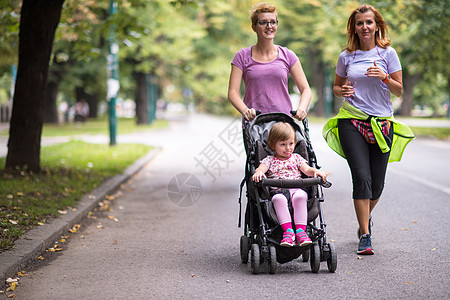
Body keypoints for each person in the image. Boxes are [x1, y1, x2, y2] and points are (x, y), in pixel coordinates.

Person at [322, 4, 414, 255]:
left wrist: (384, 77)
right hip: (351, 121)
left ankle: (365, 218)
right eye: (359, 23)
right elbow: (337, 87)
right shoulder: (346, 56)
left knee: (377, 185)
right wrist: (343, 91)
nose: (364, 27)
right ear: (354, 27)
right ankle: (365, 234)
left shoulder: (389, 53)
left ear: (377, 26)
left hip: (382, 123)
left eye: (369, 22)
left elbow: (398, 90)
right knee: (361, 179)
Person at [227, 2, 312, 121]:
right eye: (263, 22)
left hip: (283, 123)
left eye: (273, 22)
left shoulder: (288, 55)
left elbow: (306, 89)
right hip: (255, 123)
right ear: (254, 27)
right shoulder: (241, 57)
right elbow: (232, 92)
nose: (269, 26)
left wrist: (302, 108)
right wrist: (245, 110)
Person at [253, 122, 328, 247]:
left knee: (301, 196)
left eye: (291, 144)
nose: (288, 148)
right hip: (278, 190)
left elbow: (307, 170)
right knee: (278, 199)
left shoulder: (297, 158)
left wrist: (315, 171)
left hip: (296, 189)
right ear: (272, 145)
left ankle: (300, 232)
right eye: (283, 144)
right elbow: (260, 169)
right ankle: (288, 232)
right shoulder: (269, 160)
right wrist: (258, 173)